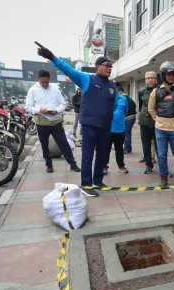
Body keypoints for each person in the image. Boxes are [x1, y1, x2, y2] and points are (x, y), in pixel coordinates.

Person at [36, 43, 118, 197]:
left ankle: (98, 181)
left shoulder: (112, 85)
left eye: (111, 66)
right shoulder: (87, 79)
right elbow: (68, 69)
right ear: (97, 66)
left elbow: (114, 104)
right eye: (107, 65)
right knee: (87, 156)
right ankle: (86, 185)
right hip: (89, 126)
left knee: (102, 156)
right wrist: (52, 57)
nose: (109, 68)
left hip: (105, 127)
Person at [25, 70, 81, 174]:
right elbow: (28, 107)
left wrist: (57, 110)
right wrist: (39, 110)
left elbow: (62, 104)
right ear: (38, 79)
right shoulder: (32, 90)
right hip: (41, 122)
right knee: (44, 144)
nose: (45, 84)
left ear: (49, 79)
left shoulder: (55, 89)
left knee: (63, 143)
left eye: (47, 82)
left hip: (56, 121)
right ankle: (49, 164)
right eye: (43, 82)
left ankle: (72, 164)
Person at [148, 61, 174, 187]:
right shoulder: (155, 92)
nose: (171, 76)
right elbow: (151, 109)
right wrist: (160, 120)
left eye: (173, 74)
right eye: (169, 74)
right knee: (161, 156)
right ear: (163, 75)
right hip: (160, 129)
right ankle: (163, 178)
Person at [104, 85, 129, 175]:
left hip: (120, 128)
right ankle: (104, 166)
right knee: (106, 149)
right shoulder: (106, 99)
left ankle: (121, 166)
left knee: (119, 149)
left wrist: (119, 118)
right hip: (108, 129)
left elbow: (126, 111)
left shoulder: (123, 99)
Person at [118, 87, 136, 154]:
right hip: (132, 117)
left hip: (128, 118)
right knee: (128, 133)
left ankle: (127, 149)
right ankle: (128, 148)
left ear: (120, 92)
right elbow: (134, 105)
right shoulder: (129, 98)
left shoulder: (123, 99)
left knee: (126, 134)